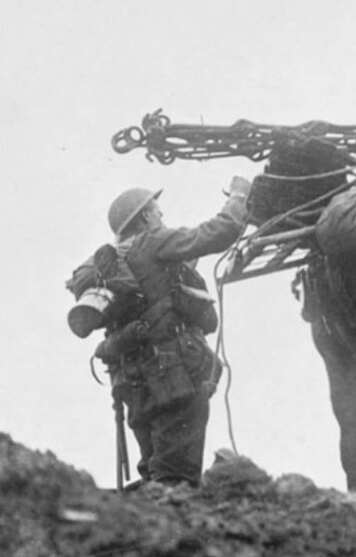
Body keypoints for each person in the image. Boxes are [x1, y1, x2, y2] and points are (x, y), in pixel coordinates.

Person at [68, 178, 250, 488]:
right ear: (145, 217)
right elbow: (218, 232)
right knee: (174, 480)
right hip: (175, 378)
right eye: (158, 213)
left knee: (155, 470)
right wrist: (239, 196)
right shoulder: (153, 242)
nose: (162, 218)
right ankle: (168, 530)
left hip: (135, 384)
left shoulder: (114, 262)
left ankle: (150, 526)